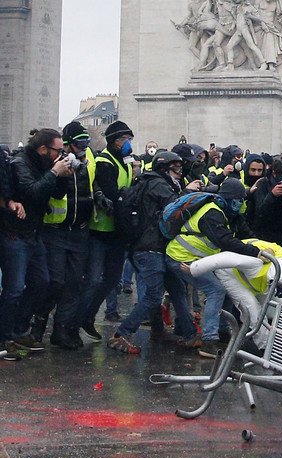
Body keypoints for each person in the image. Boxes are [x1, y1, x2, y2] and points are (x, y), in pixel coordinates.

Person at [110, 151, 202, 354]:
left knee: (176, 289)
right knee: (153, 295)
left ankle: (187, 334)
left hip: (156, 247)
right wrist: (188, 191)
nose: (180, 171)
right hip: (149, 248)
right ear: (163, 168)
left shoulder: (157, 182)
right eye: (175, 167)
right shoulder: (157, 183)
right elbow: (174, 207)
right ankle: (122, 334)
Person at [166, 177, 260, 358]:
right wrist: (254, 252)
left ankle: (222, 329)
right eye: (237, 200)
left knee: (224, 287)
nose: (239, 204)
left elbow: (245, 234)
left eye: (242, 200)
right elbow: (224, 240)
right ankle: (209, 340)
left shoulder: (226, 213)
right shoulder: (212, 213)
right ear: (227, 199)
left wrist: (259, 245)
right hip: (181, 258)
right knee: (215, 290)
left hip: (194, 259)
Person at [0, 128, 70, 359]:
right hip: (14, 233)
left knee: (42, 282)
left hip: (33, 233)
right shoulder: (20, 163)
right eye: (57, 150)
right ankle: (4, 336)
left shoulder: (44, 164)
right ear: (43, 149)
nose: (60, 154)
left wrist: (63, 176)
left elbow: (56, 195)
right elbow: (32, 193)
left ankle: (19, 330)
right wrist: (53, 172)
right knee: (14, 288)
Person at [30, 122, 94, 350]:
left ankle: (62, 330)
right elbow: (45, 189)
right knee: (55, 282)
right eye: (79, 143)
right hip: (56, 230)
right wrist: (59, 172)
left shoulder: (90, 161)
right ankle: (38, 325)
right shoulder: (55, 163)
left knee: (75, 283)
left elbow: (93, 186)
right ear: (67, 144)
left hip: (80, 230)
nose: (83, 147)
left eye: (86, 142)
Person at [188, 238, 282, 355]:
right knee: (251, 308)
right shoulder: (256, 264)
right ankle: (265, 347)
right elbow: (222, 258)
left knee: (281, 307)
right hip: (229, 273)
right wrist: (194, 268)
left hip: (257, 280)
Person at [78, 121, 136, 343]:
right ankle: (77, 320)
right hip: (100, 230)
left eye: (129, 139)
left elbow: (127, 192)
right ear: (112, 141)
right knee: (93, 279)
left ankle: (87, 316)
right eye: (123, 140)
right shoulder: (104, 162)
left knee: (112, 280)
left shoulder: (126, 162)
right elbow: (114, 195)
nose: (127, 143)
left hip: (117, 232)